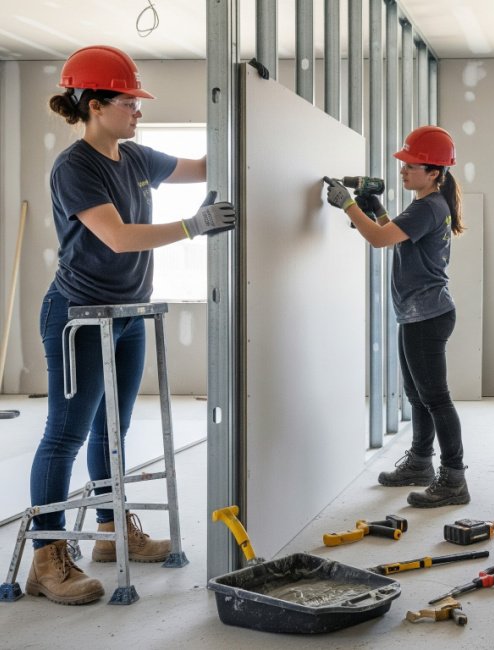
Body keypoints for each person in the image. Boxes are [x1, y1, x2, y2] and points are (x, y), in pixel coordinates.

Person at [28, 45, 236, 605]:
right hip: (79, 314)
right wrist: (194, 227)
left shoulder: (137, 159)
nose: (138, 111)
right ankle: (46, 558)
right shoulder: (75, 166)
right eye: (129, 102)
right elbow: (118, 236)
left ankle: (109, 531)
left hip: (128, 313)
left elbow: (204, 168)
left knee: (112, 434)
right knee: (65, 434)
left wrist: (246, 128)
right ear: (95, 105)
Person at [324, 126, 468, 508]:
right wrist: (376, 211)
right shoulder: (426, 204)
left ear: (434, 172)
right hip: (419, 313)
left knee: (435, 398)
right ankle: (421, 463)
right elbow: (395, 232)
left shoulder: (428, 206)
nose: (403, 171)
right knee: (417, 396)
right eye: (403, 165)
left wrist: (348, 205)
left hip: (427, 315)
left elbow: (379, 239)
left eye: (411, 166)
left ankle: (454, 480)